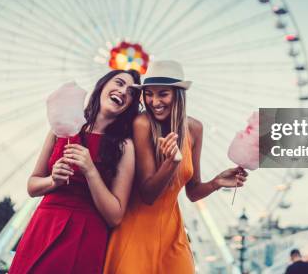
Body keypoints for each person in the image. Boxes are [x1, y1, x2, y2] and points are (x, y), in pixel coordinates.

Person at [103, 60, 248, 274]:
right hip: (136, 231)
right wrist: (171, 164)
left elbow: (193, 191)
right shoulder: (142, 124)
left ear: (178, 94)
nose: (154, 101)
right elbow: (148, 194)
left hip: (173, 233)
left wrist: (217, 182)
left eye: (163, 93)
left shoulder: (195, 129)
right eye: (149, 94)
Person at [9, 70, 141, 274]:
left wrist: (90, 171)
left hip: (86, 234)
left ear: (131, 105)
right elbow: (32, 186)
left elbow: (115, 216)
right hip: (45, 224)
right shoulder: (62, 127)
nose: (123, 91)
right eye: (119, 83)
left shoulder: (125, 146)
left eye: (131, 92)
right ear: (102, 86)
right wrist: (53, 181)